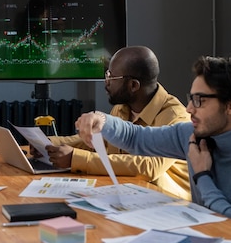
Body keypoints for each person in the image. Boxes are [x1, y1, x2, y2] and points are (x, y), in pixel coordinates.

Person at [75, 55, 231, 237]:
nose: (189, 109)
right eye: (190, 98)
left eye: (199, 100)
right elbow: (137, 138)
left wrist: (203, 176)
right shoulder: (195, 134)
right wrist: (101, 120)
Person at [39, 45, 192, 200]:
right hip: (125, 195)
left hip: (168, 204)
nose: (106, 82)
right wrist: (49, 143)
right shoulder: (122, 108)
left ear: (133, 85)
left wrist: (75, 159)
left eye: (111, 77)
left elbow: (149, 166)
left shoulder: (176, 117)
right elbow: (100, 140)